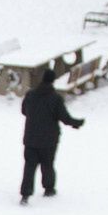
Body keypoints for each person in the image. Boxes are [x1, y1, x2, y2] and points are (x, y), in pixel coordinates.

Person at [19, 67, 85, 205]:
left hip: (31, 138)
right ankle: (49, 189)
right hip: (49, 139)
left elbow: (24, 111)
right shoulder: (55, 98)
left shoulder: (30, 95)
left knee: (29, 166)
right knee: (47, 164)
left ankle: (25, 194)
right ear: (53, 81)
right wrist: (76, 123)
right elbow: (64, 118)